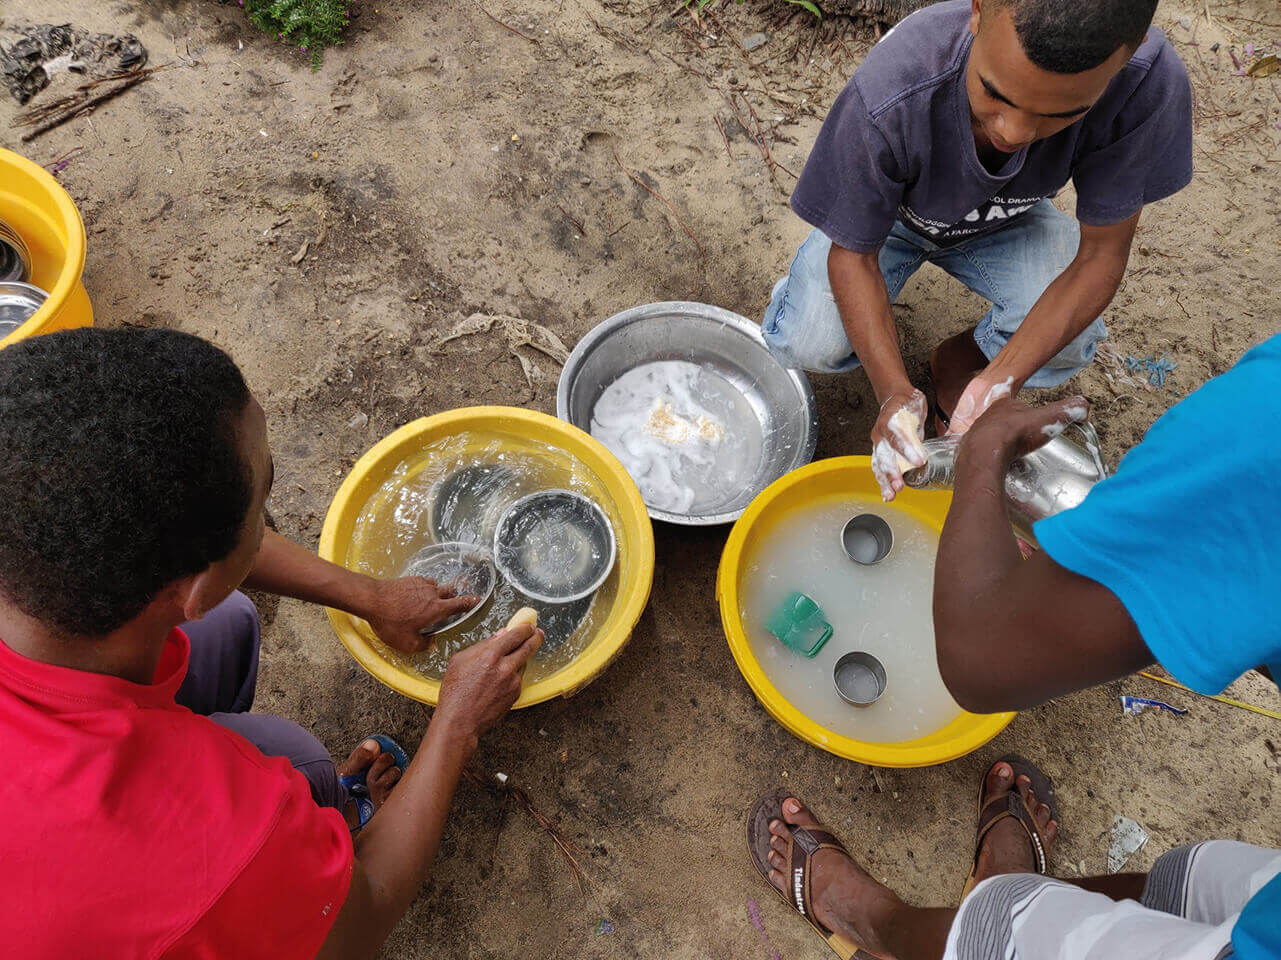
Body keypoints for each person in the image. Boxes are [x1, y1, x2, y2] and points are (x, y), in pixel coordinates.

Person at [0, 328, 544, 958]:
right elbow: (358, 926)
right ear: (191, 585)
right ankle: (308, 852)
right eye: (263, 501)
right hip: (102, 873)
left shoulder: (22, 526)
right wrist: (455, 723)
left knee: (228, 624)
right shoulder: (213, 843)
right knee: (298, 758)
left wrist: (370, 596)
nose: (267, 517)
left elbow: (201, 550)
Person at [747, 334, 1281, 960]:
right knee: (1186, 902)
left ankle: (871, 922)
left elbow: (979, 666)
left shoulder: (1260, 438)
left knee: (1007, 942)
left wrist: (981, 459)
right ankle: (1013, 885)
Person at [761, 0, 1193, 501]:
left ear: (1130, 52)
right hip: (887, 222)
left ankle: (959, 364)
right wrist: (893, 395)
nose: (1012, 133)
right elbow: (852, 258)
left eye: (1062, 114)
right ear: (978, 9)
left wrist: (999, 379)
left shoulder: (1144, 83)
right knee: (808, 339)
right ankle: (806, 296)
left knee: (1072, 340)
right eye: (994, 92)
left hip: (1006, 215)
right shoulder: (894, 88)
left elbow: (1099, 259)